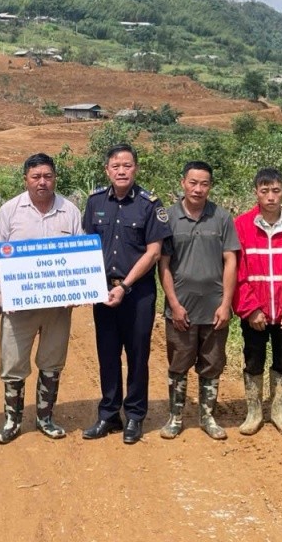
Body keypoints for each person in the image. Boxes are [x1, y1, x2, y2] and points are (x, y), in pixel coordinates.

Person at [0, 153, 83, 444]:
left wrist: (78, 288)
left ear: (55, 178)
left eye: (48, 176)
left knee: (52, 361)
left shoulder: (70, 211)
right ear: (26, 179)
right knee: (13, 363)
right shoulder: (10, 211)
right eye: (36, 177)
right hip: (19, 305)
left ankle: (45, 417)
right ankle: (12, 421)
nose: (42, 182)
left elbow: (79, 254)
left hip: (57, 306)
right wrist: (4, 288)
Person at [81, 144, 171, 444]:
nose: (121, 171)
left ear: (136, 169)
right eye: (116, 166)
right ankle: (108, 415)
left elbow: (154, 252)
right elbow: (87, 245)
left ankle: (134, 415)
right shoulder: (94, 202)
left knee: (137, 354)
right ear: (107, 170)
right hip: (103, 290)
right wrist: (87, 284)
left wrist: (124, 286)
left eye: (127, 165)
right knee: (107, 354)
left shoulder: (150, 204)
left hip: (137, 293)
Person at [158, 161, 239, 441]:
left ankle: (208, 416)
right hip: (181, 309)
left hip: (214, 309)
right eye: (193, 183)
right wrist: (174, 304)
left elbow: (231, 261)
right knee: (178, 363)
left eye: (204, 184)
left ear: (210, 186)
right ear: (183, 183)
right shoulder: (168, 218)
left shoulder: (222, 217)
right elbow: (163, 265)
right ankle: (175, 417)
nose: (198, 189)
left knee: (212, 364)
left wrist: (226, 304)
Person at [233, 167, 282, 436]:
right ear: (256, 192)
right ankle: (254, 412)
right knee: (253, 359)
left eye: (276, 190)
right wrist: (250, 309)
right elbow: (237, 272)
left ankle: (278, 411)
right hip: (255, 313)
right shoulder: (242, 226)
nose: (270, 196)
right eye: (264, 190)